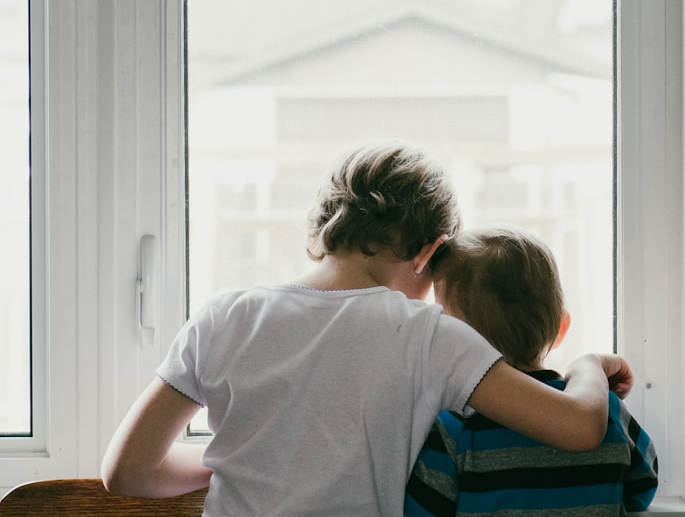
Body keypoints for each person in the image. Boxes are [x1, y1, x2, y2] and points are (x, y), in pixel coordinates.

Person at [102, 141, 633, 517]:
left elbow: (127, 471)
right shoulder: (428, 335)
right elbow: (580, 428)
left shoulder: (224, 316)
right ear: (430, 252)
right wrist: (589, 364)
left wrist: (244, 454)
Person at [405, 225, 658, 517]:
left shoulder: (453, 428)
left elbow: (421, 510)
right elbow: (643, 490)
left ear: (456, 341)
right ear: (561, 328)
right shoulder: (605, 411)